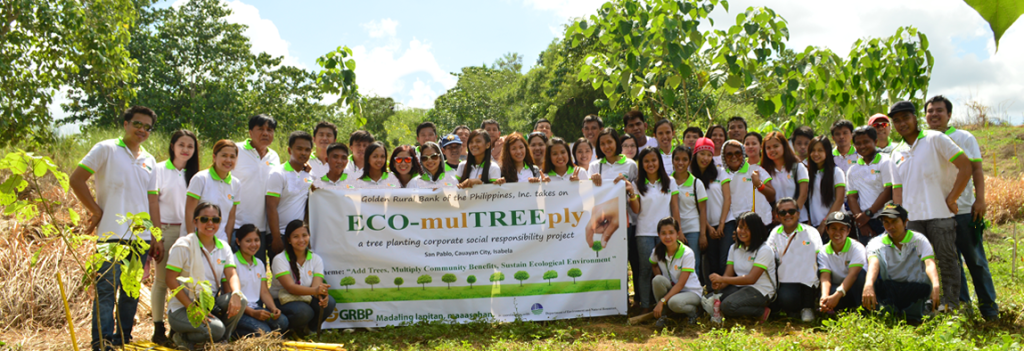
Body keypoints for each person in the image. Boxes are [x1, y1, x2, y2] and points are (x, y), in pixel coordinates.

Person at [70, 106, 159, 351]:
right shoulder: (106, 149)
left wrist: (154, 235)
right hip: (110, 236)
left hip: (138, 238)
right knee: (107, 290)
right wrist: (96, 211)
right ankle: (102, 342)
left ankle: (123, 340)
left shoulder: (149, 160)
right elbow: (76, 179)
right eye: (138, 124)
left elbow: (151, 200)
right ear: (126, 123)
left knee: (131, 293)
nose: (142, 130)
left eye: (147, 127)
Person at [889, 100, 972, 311]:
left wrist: (952, 199)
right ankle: (926, 306)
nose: (902, 124)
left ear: (915, 117)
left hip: (940, 214)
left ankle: (952, 306)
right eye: (897, 121)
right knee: (918, 264)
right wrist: (899, 219)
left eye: (906, 118)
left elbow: (965, 166)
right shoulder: (895, 153)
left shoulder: (935, 138)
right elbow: (897, 191)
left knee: (947, 262)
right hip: (913, 219)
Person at [925, 95, 997, 319]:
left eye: (939, 110)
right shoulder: (924, 140)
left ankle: (989, 310)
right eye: (930, 111)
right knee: (950, 264)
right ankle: (963, 308)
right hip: (938, 214)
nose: (934, 114)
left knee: (975, 260)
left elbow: (976, 170)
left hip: (965, 210)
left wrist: (980, 199)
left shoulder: (964, 137)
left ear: (949, 115)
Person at [165, 202, 246, 349]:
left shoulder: (224, 247)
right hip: (182, 309)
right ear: (195, 221)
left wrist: (235, 293)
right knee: (216, 329)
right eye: (204, 219)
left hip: (208, 304)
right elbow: (170, 280)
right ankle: (181, 337)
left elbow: (231, 274)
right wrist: (192, 308)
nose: (210, 223)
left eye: (215, 220)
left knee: (242, 299)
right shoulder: (183, 245)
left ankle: (221, 341)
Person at [148, 129, 199, 345]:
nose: (185, 150)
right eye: (182, 145)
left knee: (184, 282)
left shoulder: (196, 175)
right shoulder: (158, 170)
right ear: (172, 146)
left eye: (190, 146)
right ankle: (158, 329)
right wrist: (156, 236)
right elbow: (152, 205)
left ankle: (176, 327)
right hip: (166, 231)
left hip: (189, 232)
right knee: (161, 281)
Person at [862, 202, 941, 324]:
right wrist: (868, 285)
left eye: (894, 221)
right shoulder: (876, 243)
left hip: (916, 286)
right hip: (890, 287)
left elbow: (929, 264)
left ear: (905, 222)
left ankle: (918, 313)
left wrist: (936, 285)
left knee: (916, 319)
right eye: (886, 222)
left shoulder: (919, 240)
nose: (890, 226)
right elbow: (873, 264)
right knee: (887, 317)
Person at [628, 146, 680, 313]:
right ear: (641, 164)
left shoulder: (670, 182)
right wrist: (631, 193)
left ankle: (665, 305)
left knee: (666, 269)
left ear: (660, 162)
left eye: (653, 160)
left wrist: (677, 231)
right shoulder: (637, 184)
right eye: (646, 161)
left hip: (666, 234)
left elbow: (675, 207)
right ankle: (645, 305)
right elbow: (636, 210)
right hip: (644, 232)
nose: (650, 164)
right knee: (645, 269)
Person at [271, 220, 336, 337]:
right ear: (289, 240)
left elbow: (316, 287)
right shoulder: (279, 259)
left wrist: (321, 295)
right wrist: (316, 291)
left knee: (329, 302)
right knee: (304, 311)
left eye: (304, 235)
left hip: (306, 298)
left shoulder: (316, 259)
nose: (301, 240)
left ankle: (310, 329)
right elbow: (290, 288)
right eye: (296, 237)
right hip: (281, 300)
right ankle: (289, 329)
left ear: (309, 236)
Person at [709, 212, 776, 322]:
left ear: (756, 230)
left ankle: (761, 312)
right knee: (709, 300)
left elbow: (751, 278)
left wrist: (722, 279)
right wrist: (719, 284)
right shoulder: (734, 248)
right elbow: (727, 275)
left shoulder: (764, 250)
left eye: (747, 228)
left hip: (761, 289)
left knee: (727, 306)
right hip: (740, 287)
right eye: (740, 227)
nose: (742, 231)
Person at [766, 198, 822, 322]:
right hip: (786, 277)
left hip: (807, 277)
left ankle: (807, 307)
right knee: (787, 299)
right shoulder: (774, 233)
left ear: (798, 213)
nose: (787, 215)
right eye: (782, 212)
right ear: (777, 216)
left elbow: (819, 257)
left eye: (791, 211)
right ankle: (793, 309)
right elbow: (769, 255)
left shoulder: (811, 232)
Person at [233, 114, 280, 258]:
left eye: (270, 130)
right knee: (234, 271)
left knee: (257, 271)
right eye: (261, 129)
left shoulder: (274, 157)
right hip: (237, 224)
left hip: (263, 228)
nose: (266, 133)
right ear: (250, 132)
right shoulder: (236, 150)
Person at [233, 224, 288, 338]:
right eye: (248, 241)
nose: (253, 244)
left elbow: (264, 292)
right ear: (238, 241)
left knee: (282, 322)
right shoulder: (232, 262)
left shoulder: (259, 263)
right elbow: (230, 294)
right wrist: (252, 313)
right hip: (239, 311)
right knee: (265, 332)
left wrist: (273, 308)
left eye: (256, 240)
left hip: (255, 308)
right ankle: (236, 332)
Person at [266, 132, 314, 258]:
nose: (303, 153)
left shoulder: (309, 175)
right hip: (280, 235)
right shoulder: (278, 173)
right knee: (280, 276)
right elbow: (271, 207)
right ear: (289, 150)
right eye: (299, 149)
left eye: (307, 150)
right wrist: (276, 238)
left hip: (299, 236)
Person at [692, 137, 733, 284]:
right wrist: (708, 227)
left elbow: (727, 199)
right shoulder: (691, 177)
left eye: (709, 154)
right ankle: (713, 293)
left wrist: (721, 223)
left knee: (725, 261)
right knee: (712, 261)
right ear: (695, 154)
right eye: (702, 154)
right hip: (705, 225)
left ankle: (726, 291)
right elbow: (695, 206)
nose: (706, 158)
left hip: (726, 222)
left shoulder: (720, 172)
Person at [650, 217, 703, 328]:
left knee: (674, 303)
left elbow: (680, 284)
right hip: (674, 291)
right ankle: (664, 316)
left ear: (678, 234)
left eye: (671, 233)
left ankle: (694, 311)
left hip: (691, 292)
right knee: (657, 280)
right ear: (658, 235)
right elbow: (653, 264)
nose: (667, 237)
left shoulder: (687, 253)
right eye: (663, 233)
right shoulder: (657, 251)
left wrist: (661, 301)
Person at [185, 140, 240, 243]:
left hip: (219, 242)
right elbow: (189, 212)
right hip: (197, 240)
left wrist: (226, 243)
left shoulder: (236, 184)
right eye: (224, 155)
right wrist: (192, 241)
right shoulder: (201, 178)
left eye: (232, 157)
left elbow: (231, 217)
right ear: (214, 157)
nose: (228, 160)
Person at [846, 126, 893, 245]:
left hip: (886, 219)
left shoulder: (886, 161)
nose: (862, 146)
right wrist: (862, 223)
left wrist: (869, 213)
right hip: (864, 222)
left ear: (875, 142)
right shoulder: (853, 169)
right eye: (858, 143)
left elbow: (888, 191)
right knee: (869, 258)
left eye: (866, 142)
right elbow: (852, 197)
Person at [817, 211, 867, 313]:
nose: (837, 233)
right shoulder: (823, 251)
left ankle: (862, 310)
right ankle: (832, 308)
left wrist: (837, 295)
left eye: (842, 229)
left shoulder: (857, 248)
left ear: (848, 231)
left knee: (861, 274)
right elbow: (825, 277)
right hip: (838, 288)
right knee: (826, 291)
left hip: (853, 289)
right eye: (833, 228)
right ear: (827, 229)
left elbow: (853, 275)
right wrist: (825, 296)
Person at [670, 145, 708, 280]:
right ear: (672, 160)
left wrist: (703, 234)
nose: (680, 163)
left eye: (684, 159)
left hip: (693, 229)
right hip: (672, 231)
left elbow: (703, 210)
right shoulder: (667, 182)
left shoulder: (697, 183)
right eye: (677, 159)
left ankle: (695, 295)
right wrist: (678, 231)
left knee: (693, 264)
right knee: (675, 265)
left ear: (689, 162)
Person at [762, 131, 809, 225]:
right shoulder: (765, 171)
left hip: (799, 219)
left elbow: (803, 195)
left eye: (776, 146)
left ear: (784, 146)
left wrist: (792, 214)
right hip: (777, 221)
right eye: (768, 148)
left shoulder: (798, 167)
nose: (772, 150)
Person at [723, 140, 774, 226]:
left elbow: (772, 195)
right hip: (731, 223)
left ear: (743, 154)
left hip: (757, 222)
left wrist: (758, 184)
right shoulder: (722, 174)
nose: (734, 157)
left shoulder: (756, 170)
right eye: (729, 154)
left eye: (738, 153)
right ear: (723, 156)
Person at [806, 136, 846, 236]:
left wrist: (825, 223)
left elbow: (839, 200)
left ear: (827, 151)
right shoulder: (809, 173)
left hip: (834, 224)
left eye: (820, 150)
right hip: (815, 225)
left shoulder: (836, 172)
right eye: (813, 150)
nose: (816, 154)